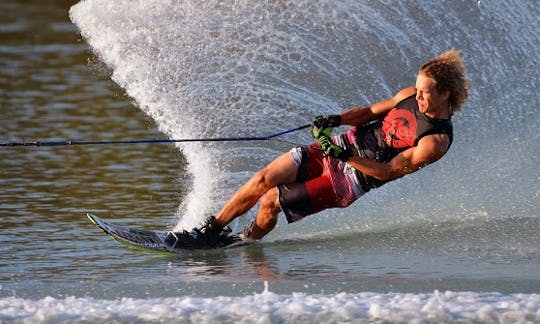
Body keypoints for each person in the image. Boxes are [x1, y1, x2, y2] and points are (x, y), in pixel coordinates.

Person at [164, 49, 469, 249]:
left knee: (270, 201)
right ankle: (210, 231)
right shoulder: (407, 95)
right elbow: (370, 111)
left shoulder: (435, 142)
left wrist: (345, 158)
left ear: (445, 94)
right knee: (263, 178)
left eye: (424, 94)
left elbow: (388, 172)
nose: (417, 97)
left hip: (352, 179)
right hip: (340, 147)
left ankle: (243, 243)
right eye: (416, 90)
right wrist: (336, 119)